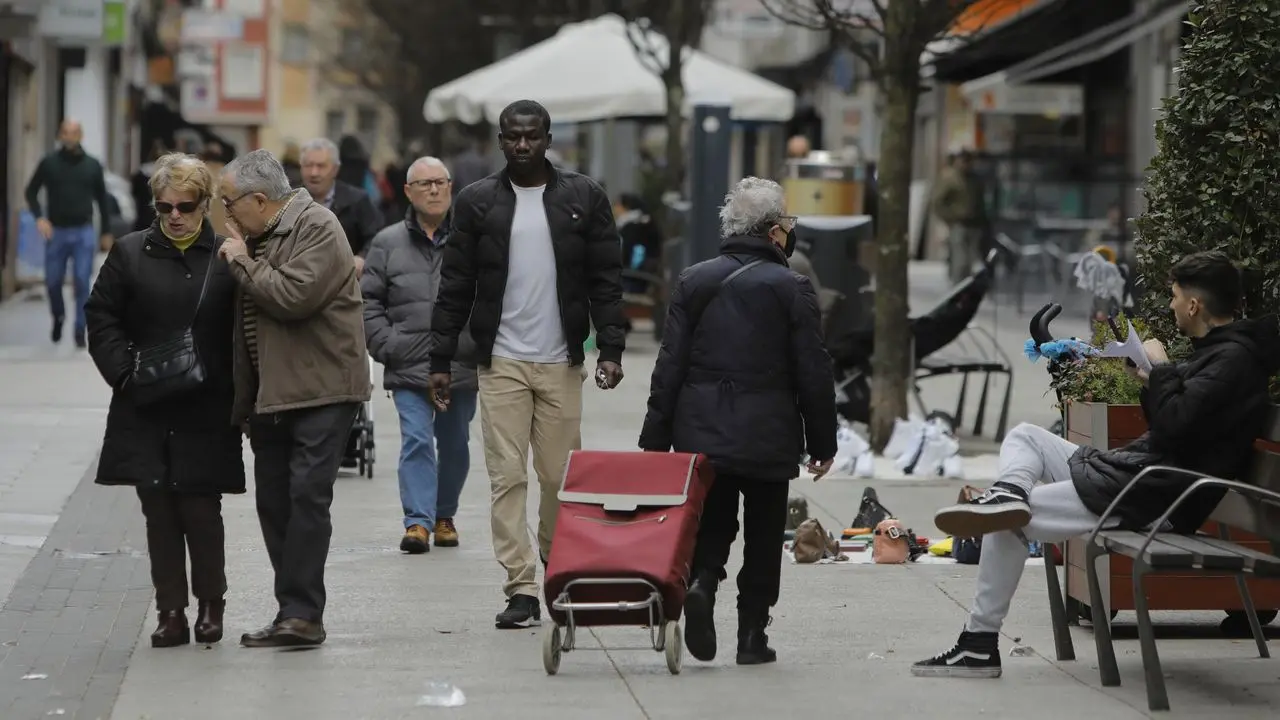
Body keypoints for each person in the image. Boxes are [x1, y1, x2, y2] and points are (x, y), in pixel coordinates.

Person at [914, 250, 1280, 678]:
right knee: (1025, 436)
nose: (1171, 305)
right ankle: (1007, 492)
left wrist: (1160, 369)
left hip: (1155, 494)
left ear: (1195, 305)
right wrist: (1152, 377)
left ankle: (977, 645)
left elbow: (1176, 425)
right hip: (1145, 475)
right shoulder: (1223, 353)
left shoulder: (1232, 361)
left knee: (1006, 523)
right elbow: (1184, 422)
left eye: (1175, 296)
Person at [427, 99, 627, 629]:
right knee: (507, 477)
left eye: (531, 136)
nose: (522, 145)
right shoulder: (476, 202)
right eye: (512, 137)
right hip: (502, 362)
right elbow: (455, 285)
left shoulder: (584, 197)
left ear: (547, 138)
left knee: (560, 479)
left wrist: (610, 348)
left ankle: (556, 565)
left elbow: (607, 278)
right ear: (500, 140)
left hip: (561, 360)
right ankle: (520, 586)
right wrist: (440, 357)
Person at [639, 176, 838, 666]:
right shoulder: (793, 287)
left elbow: (670, 365)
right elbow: (813, 368)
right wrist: (822, 440)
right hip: (769, 432)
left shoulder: (694, 280)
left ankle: (704, 583)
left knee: (714, 522)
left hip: (702, 429)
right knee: (765, 534)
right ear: (773, 231)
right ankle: (752, 635)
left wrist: (656, 439)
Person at [84, 153, 245, 648]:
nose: (175, 214)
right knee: (158, 511)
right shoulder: (131, 252)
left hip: (205, 407)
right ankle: (171, 612)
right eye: (164, 206)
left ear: (205, 204)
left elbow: (245, 331)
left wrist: (237, 391)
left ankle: (211, 606)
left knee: (200, 509)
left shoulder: (226, 256)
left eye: (186, 204)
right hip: (146, 404)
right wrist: (124, 374)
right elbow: (101, 315)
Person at [217, 149, 371, 647]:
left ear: (259, 200)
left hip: (322, 389)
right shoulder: (259, 234)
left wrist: (241, 261)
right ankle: (292, 609)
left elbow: (291, 297)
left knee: (306, 499)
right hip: (272, 396)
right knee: (275, 504)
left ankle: (304, 614)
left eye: (229, 202)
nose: (225, 214)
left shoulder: (318, 227)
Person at [362, 156, 478, 553]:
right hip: (407, 359)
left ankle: (444, 514)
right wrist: (385, 343)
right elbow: (369, 300)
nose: (433, 190)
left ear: (450, 188)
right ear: (408, 192)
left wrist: (477, 340)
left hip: (460, 359)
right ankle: (418, 522)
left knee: (456, 443)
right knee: (415, 439)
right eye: (424, 184)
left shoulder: (471, 238)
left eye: (440, 182)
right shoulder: (387, 241)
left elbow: (490, 294)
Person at [24, 119, 114, 348]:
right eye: (65, 132)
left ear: (80, 136)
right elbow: (31, 191)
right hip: (56, 232)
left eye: (74, 132)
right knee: (53, 281)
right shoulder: (49, 163)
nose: (69, 136)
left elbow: (103, 201)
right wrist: (39, 218)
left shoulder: (92, 165)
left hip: (83, 231)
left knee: (82, 280)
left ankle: (78, 328)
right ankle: (58, 316)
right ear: (59, 135)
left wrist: (105, 232)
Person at [299, 137, 384, 275]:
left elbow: (376, 237)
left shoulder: (357, 200)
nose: (314, 173)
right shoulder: (289, 202)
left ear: (335, 169)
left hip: (345, 282)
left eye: (321, 166)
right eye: (308, 165)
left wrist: (362, 257)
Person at [932, 149, 988, 284]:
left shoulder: (974, 179)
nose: (966, 164)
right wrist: (949, 218)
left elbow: (980, 201)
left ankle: (970, 287)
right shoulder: (950, 178)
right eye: (963, 161)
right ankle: (957, 287)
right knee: (960, 260)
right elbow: (937, 202)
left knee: (974, 261)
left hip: (975, 224)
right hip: (958, 223)